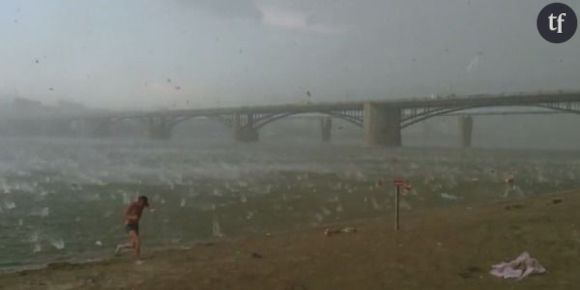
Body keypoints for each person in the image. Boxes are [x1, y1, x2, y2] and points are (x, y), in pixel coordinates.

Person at [115, 195, 149, 260]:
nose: (143, 206)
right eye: (143, 203)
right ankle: (138, 259)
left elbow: (149, 206)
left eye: (144, 204)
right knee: (137, 241)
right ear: (140, 201)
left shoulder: (142, 206)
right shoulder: (133, 205)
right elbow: (125, 214)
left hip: (136, 225)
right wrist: (132, 217)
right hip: (129, 225)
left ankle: (120, 247)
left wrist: (154, 209)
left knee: (133, 245)